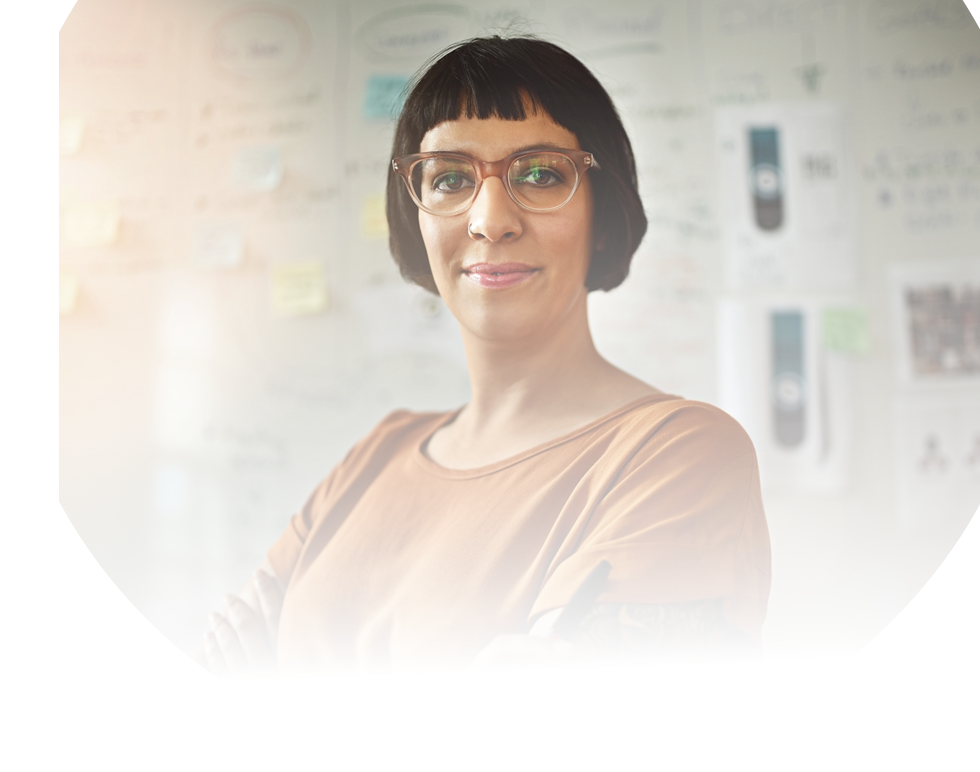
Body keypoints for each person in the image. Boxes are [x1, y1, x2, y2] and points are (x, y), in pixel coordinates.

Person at [199, 35, 771, 675]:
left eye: (541, 174)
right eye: (449, 178)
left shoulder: (677, 455)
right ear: (416, 218)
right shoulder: (377, 454)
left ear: (602, 213)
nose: (491, 220)